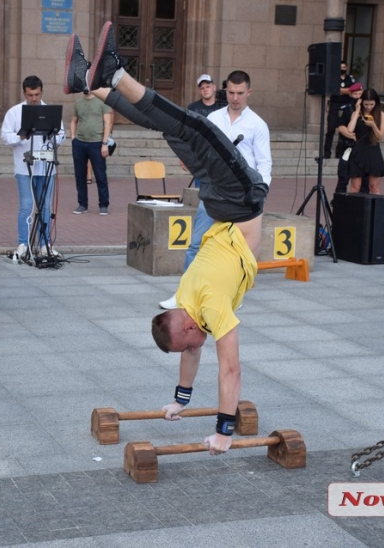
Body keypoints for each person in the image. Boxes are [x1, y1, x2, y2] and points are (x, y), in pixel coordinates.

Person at [65, 23, 269, 454]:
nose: (193, 348)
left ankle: (103, 82)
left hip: (231, 201)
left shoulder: (191, 302)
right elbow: (225, 367)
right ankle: (100, 81)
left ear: (187, 322)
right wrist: (202, 415)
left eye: (189, 341)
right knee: (186, 128)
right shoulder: (198, 305)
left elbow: (213, 362)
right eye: (189, 343)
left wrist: (203, 416)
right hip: (235, 202)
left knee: (185, 129)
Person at [159, 69, 271, 310]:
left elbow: (264, 163)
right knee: (197, 243)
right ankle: (184, 295)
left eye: (240, 93)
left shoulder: (257, 125)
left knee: (239, 251)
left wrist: (260, 193)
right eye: (231, 92)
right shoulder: (215, 118)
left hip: (243, 197)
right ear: (225, 91)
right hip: (214, 191)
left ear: (248, 92)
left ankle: (232, 296)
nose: (235, 97)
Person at [1, 76, 65, 259]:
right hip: (24, 167)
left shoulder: (50, 111)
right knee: (26, 206)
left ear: (41, 91)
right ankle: (23, 243)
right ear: (24, 93)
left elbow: (61, 134)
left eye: (37, 94)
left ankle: (45, 245)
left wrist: (53, 138)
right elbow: (5, 136)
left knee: (45, 206)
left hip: (45, 167)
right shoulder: (14, 112)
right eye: (30, 95)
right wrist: (20, 137)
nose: (34, 98)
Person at [69, 92, 112, 215]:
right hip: (79, 143)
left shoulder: (102, 101)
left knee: (100, 175)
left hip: (97, 143)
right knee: (80, 175)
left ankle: (103, 205)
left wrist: (104, 143)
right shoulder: (78, 102)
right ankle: (82, 204)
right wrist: (73, 137)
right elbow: (73, 120)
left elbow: (108, 123)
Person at [344, 88, 384, 195]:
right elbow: (350, 129)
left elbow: (381, 137)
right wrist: (358, 110)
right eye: (366, 104)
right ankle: (353, 210)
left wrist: (373, 125)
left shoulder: (380, 114)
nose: (368, 107)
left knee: (374, 187)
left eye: (371, 104)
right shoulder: (356, 113)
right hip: (358, 151)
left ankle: (374, 210)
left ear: (376, 103)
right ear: (361, 102)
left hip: (373, 151)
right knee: (355, 187)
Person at [333, 83, 369, 196]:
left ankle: (363, 202)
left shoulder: (367, 109)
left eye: (360, 93)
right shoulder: (344, 109)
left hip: (363, 148)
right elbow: (341, 128)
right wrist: (352, 135)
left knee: (364, 179)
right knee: (343, 176)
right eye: (355, 94)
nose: (358, 96)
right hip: (347, 147)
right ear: (350, 94)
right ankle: (340, 200)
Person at [324, 61, 356, 159]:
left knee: (344, 129)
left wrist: (339, 90)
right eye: (340, 67)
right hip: (335, 105)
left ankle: (340, 152)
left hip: (346, 106)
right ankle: (327, 152)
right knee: (331, 129)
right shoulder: (333, 78)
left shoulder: (349, 78)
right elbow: (332, 89)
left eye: (344, 67)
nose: (342, 68)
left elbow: (352, 90)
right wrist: (345, 90)